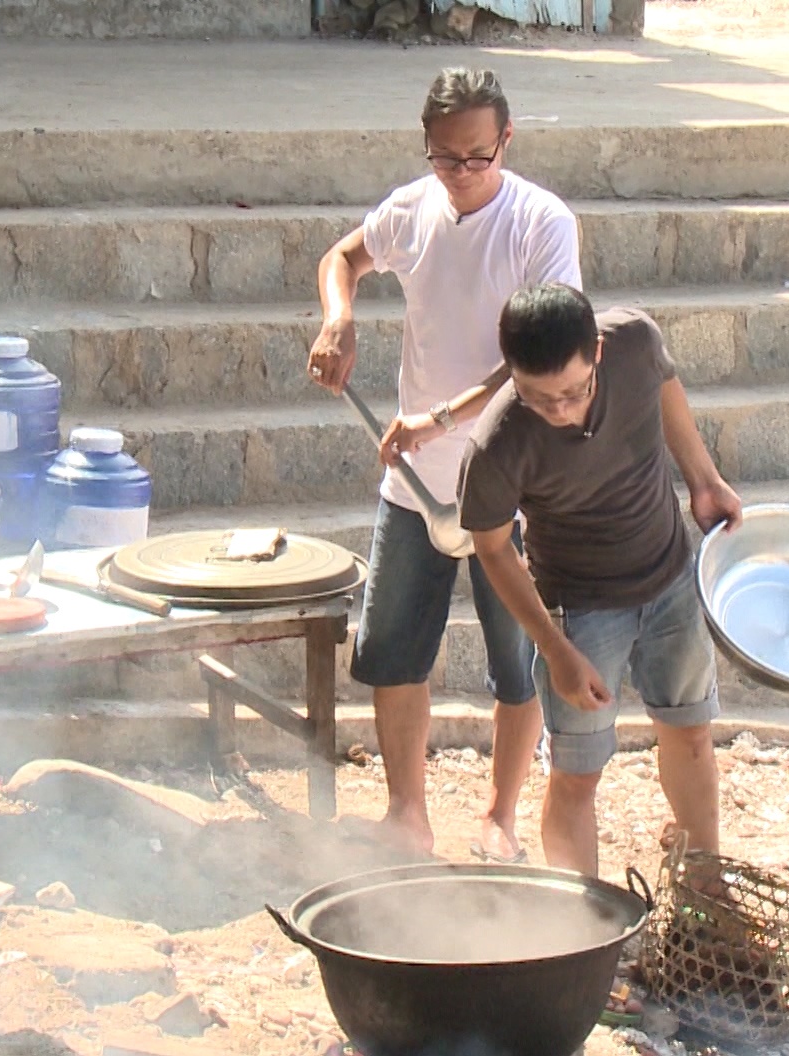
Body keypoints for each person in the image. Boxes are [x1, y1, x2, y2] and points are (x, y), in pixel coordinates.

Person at [306, 68, 581, 861]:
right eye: (444, 158)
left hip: (515, 478)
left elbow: (545, 355)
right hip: (415, 480)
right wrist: (339, 319)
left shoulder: (541, 224)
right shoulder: (412, 210)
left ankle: (500, 815)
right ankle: (408, 815)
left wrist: (442, 419)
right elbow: (343, 258)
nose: (461, 176)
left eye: (477, 158)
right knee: (393, 648)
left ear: (507, 140)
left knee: (518, 659)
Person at [458, 283, 742, 878]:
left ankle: (705, 879)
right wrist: (555, 650)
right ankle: (581, 920)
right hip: (579, 610)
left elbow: (664, 385)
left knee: (690, 735)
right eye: (538, 398)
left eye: (572, 392)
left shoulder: (635, 341)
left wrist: (704, 478)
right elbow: (493, 550)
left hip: (670, 578)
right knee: (577, 771)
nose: (559, 411)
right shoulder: (495, 446)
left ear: (598, 353)